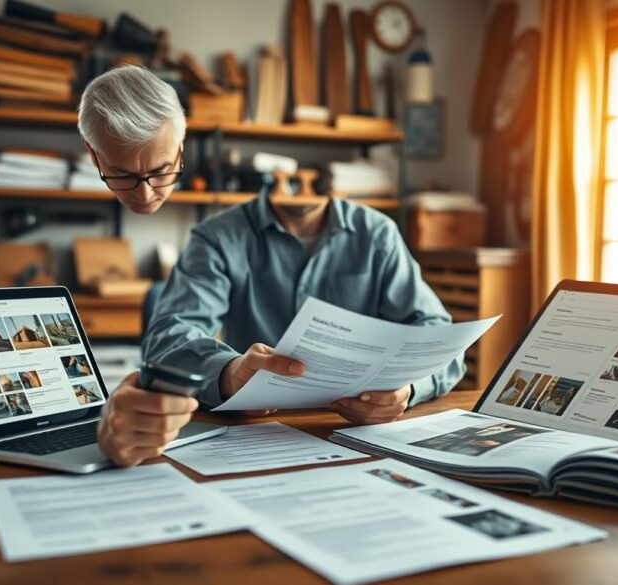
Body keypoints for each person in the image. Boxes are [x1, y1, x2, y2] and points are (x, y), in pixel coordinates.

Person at [81, 66, 462, 467]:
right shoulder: (217, 238)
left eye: (159, 172)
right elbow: (168, 340)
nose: (145, 191)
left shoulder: (377, 235)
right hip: (252, 444)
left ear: (180, 147)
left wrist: (407, 390)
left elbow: (443, 343)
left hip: (358, 444)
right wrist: (230, 374)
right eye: (123, 175)